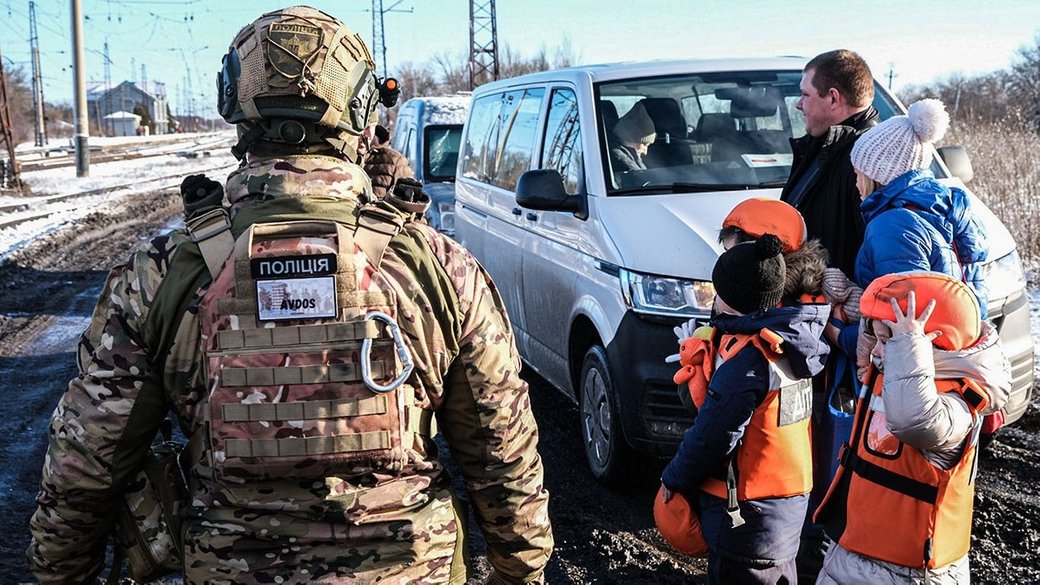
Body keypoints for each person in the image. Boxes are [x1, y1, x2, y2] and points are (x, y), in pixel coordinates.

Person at [26, 7, 553, 585]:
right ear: (361, 110)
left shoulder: (161, 275)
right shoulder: (439, 268)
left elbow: (86, 462)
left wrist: (61, 575)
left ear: (234, 104)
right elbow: (502, 453)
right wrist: (518, 573)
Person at [814, 272, 1010, 585]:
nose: (877, 352)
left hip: (909, 573)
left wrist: (906, 344)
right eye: (878, 340)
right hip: (858, 549)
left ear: (928, 344)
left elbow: (915, 421)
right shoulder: (896, 376)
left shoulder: (957, 402)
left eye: (887, 342)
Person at [661, 234, 830, 585]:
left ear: (730, 297)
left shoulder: (747, 361)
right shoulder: (792, 343)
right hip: (787, 508)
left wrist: (672, 479)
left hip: (745, 516)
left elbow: (712, 436)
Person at [781, 49, 879, 277]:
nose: (798, 105)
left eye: (805, 95)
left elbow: (880, 260)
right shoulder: (821, 146)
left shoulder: (870, 160)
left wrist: (843, 292)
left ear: (833, 98)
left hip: (837, 299)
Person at [363, 123, 415, 200]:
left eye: (368, 127)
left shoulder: (395, 161)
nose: (363, 134)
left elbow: (409, 202)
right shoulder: (344, 156)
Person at [609, 101, 656, 172]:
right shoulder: (619, 157)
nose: (645, 152)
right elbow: (640, 177)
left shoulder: (626, 152)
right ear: (629, 137)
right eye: (644, 144)